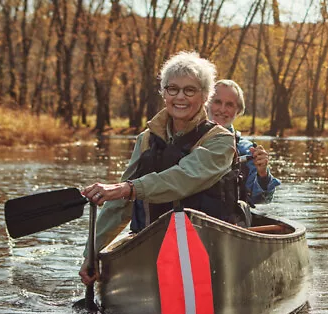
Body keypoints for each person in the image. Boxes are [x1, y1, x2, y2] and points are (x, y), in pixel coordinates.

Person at [80, 51, 241, 286]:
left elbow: (183, 178)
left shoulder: (221, 140)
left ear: (205, 96)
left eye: (190, 90)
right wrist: (91, 253)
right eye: (172, 89)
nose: (180, 97)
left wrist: (127, 188)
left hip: (207, 247)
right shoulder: (146, 139)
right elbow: (118, 206)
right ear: (164, 93)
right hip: (152, 246)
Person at [207, 79, 280, 207]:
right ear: (206, 103)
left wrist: (262, 173)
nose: (222, 109)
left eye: (229, 105)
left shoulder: (247, 150)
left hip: (230, 219)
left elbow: (262, 199)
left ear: (238, 111)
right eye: (217, 102)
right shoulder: (189, 139)